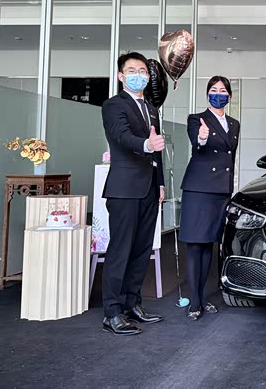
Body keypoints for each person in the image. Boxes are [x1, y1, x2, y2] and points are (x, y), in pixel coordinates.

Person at [101, 52, 165, 336]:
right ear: (121, 76)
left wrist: (160, 183)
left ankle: (132, 304)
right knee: (120, 250)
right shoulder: (113, 105)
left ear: (148, 77)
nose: (138, 74)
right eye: (131, 70)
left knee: (141, 250)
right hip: (124, 188)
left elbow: (157, 146)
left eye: (142, 71)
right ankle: (112, 313)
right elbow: (121, 136)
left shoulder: (151, 108)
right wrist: (146, 145)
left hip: (149, 188)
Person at [179, 76, 240, 320]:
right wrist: (202, 137)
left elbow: (230, 159)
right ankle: (195, 301)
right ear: (207, 94)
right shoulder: (197, 119)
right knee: (196, 245)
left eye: (223, 90)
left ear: (229, 96)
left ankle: (202, 297)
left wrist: (230, 188)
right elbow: (197, 145)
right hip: (199, 189)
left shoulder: (234, 124)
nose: (218, 94)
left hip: (221, 191)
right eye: (213, 90)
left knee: (209, 245)